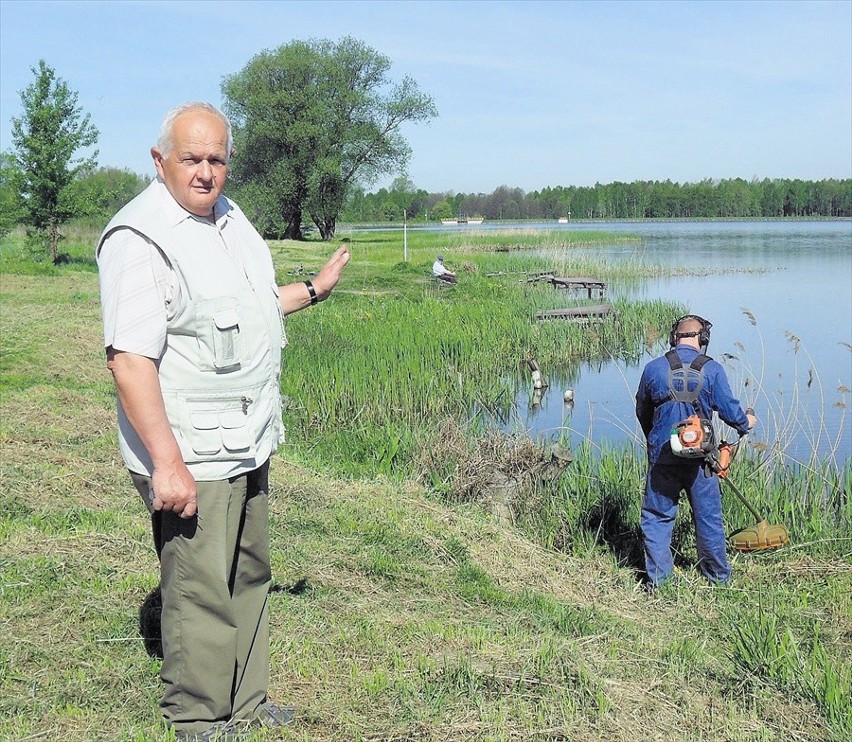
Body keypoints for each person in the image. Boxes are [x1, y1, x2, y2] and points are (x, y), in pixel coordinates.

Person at [96, 101, 350, 740]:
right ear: (161, 161)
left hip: (246, 440)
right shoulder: (140, 238)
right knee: (200, 587)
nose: (206, 173)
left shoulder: (230, 221)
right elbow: (129, 362)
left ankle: (247, 702)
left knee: (248, 570)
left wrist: (313, 290)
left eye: (217, 159)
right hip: (190, 453)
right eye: (191, 159)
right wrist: (167, 464)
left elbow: (249, 306)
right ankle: (199, 717)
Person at [635, 315, 756, 588]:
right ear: (703, 339)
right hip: (701, 460)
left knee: (657, 517)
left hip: (663, 456)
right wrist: (746, 422)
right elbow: (731, 413)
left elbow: (642, 410)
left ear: (674, 338)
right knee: (708, 518)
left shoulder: (653, 369)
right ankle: (717, 578)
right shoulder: (712, 370)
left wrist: (654, 440)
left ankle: (659, 583)